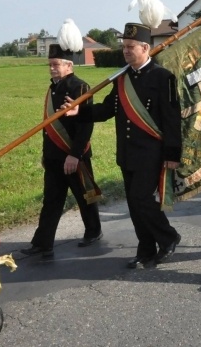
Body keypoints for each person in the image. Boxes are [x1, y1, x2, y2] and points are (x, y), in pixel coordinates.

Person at [92, 22, 182, 269]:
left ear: (145, 48)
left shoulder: (163, 77)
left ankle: (168, 237)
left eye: (131, 47)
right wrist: (80, 111)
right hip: (127, 153)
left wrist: (173, 153)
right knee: (134, 204)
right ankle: (145, 249)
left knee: (141, 199)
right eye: (124, 47)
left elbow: (172, 119)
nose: (126, 51)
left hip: (152, 152)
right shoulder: (122, 79)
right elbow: (107, 110)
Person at [22, 19, 103, 258]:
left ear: (69, 65)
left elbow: (85, 125)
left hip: (74, 154)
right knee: (51, 200)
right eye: (50, 65)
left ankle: (94, 231)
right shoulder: (53, 89)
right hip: (55, 156)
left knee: (85, 196)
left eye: (56, 64)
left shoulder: (80, 87)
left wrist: (74, 155)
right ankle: (42, 242)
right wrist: (47, 156)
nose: (52, 68)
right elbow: (49, 128)